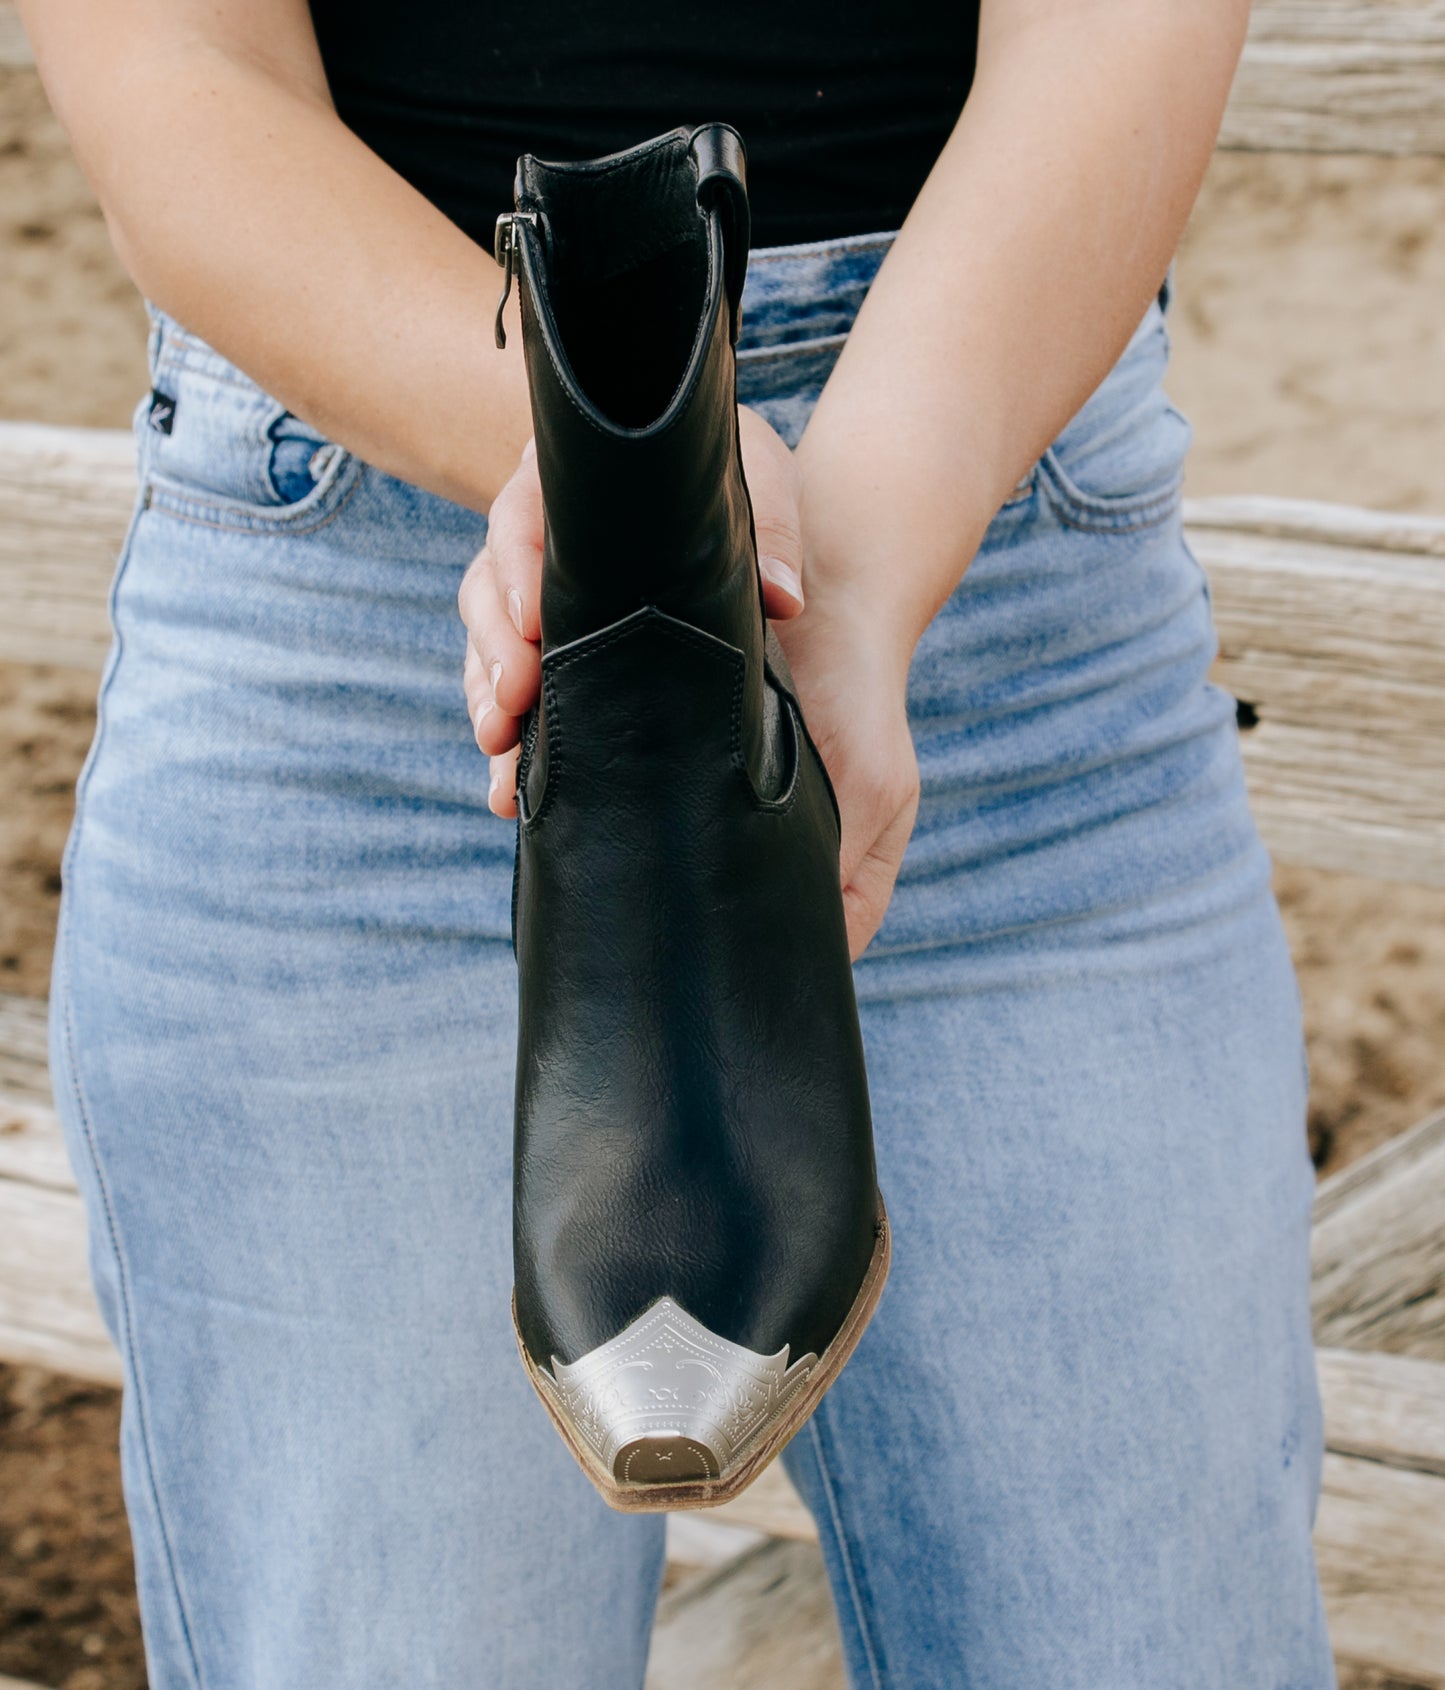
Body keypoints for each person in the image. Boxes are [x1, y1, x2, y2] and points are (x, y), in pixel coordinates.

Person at [22, 0, 1336, 1685]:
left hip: (982, 542)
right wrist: (624, 475)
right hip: (370, 631)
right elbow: (171, 68)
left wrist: (823, 577)